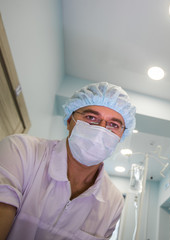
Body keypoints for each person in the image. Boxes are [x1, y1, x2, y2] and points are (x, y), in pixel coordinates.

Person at [0, 82, 136, 240]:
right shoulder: (22, 151)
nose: (101, 130)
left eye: (113, 125)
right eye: (91, 117)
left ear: (121, 136)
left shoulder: (113, 202)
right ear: (70, 121)